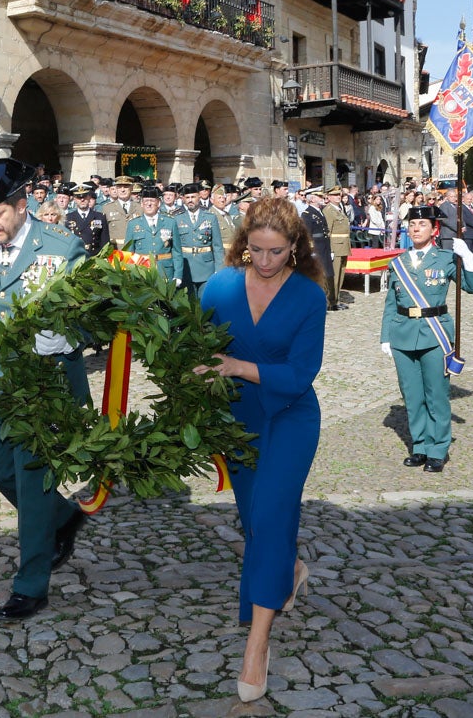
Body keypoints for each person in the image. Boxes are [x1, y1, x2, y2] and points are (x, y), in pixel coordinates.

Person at [196, 197, 325, 702]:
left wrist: (236, 366)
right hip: (237, 422)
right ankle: (290, 571)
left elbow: (300, 374)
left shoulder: (309, 297)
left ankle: (257, 643)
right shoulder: (220, 285)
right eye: (256, 250)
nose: (265, 262)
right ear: (243, 245)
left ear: (294, 247)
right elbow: (195, 346)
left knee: (270, 520)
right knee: (255, 522)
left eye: (276, 252)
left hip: (290, 416)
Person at [0, 158, 90, 621]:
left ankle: (31, 584)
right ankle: (65, 517)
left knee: (31, 482)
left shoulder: (62, 248)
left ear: (22, 204)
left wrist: (71, 336)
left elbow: (93, 316)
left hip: (45, 382)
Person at [379, 205, 473, 472]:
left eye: (422, 224)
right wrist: (386, 336)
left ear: (434, 229)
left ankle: (438, 449)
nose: (416, 229)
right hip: (403, 334)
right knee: (412, 396)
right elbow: (391, 303)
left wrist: (467, 258)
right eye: (412, 225)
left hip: (435, 334)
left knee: (436, 394)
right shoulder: (398, 263)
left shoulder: (446, 259)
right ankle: (420, 446)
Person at [124, 185, 180, 284]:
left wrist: (178, 275)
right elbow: (129, 253)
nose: (149, 204)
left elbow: (176, 251)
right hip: (142, 272)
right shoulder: (133, 224)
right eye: (146, 201)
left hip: (165, 271)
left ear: (158, 203)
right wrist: (129, 275)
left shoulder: (170, 222)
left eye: (152, 201)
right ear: (141, 203)